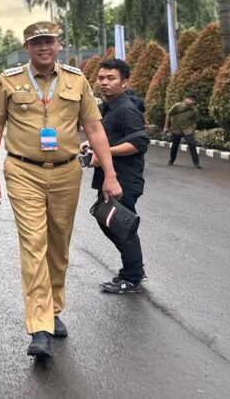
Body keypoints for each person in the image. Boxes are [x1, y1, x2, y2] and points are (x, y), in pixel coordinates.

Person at [0, 22, 122, 360]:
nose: (43, 47)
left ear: (59, 44)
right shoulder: (8, 80)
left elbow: (94, 128)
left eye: (49, 41)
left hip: (66, 172)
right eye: (36, 42)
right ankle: (39, 325)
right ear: (27, 48)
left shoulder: (76, 80)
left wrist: (110, 174)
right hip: (23, 170)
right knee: (34, 243)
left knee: (58, 244)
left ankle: (53, 308)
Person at [87, 59, 149, 294]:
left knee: (121, 227)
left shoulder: (126, 109)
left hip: (124, 179)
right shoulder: (109, 107)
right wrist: (91, 146)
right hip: (109, 176)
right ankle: (134, 270)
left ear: (124, 82)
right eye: (101, 78)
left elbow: (139, 142)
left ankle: (132, 277)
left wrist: (105, 152)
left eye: (111, 78)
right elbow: (110, 137)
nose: (104, 82)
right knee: (110, 223)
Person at [164, 95, 201, 169]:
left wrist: (193, 133)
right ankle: (171, 160)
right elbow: (169, 114)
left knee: (192, 144)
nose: (191, 101)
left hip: (187, 129)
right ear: (185, 99)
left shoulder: (194, 110)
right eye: (189, 99)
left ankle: (196, 163)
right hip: (176, 129)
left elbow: (194, 122)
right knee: (175, 145)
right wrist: (166, 127)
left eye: (192, 100)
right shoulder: (177, 106)